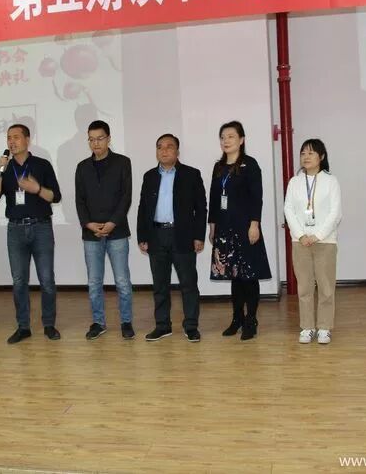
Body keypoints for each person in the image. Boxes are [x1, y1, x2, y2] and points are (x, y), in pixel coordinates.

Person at [0, 124, 62, 344]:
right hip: (16, 229)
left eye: (16, 137)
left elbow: (55, 196)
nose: (11, 142)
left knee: (46, 279)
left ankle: (49, 324)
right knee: (19, 281)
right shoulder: (5, 167)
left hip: (41, 227)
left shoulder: (42, 165)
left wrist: (36, 189)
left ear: (27, 139)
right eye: (8, 138)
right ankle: (23, 327)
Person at [137, 134, 207, 342]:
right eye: (160, 147)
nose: (164, 150)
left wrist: (199, 236)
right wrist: (142, 235)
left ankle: (191, 326)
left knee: (188, 284)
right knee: (160, 285)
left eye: (169, 146)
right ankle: (162, 325)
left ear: (177, 151)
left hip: (182, 235)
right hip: (156, 235)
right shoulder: (149, 176)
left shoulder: (191, 174)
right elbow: (143, 208)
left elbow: (201, 208)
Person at [208, 120, 272, 341]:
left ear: (241, 140)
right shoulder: (218, 167)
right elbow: (214, 199)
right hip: (224, 229)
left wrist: (255, 224)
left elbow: (257, 197)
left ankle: (251, 320)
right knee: (234, 277)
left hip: (245, 228)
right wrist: (212, 226)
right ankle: (237, 319)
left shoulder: (250, 165)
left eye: (231, 136)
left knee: (248, 276)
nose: (226, 141)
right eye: (222, 137)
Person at [75, 120, 135, 340]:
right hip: (91, 233)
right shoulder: (82, 167)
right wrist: (88, 224)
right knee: (94, 282)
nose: (96, 143)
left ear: (109, 139)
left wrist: (112, 223)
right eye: (91, 139)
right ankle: (98, 322)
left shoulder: (122, 162)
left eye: (100, 138)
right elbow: (79, 200)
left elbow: (126, 197)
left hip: (116, 231)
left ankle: (126, 321)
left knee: (122, 281)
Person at [284, 139, 342, 345]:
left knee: (326, 287)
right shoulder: (294, 182)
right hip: (300, 241)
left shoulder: (331, 181)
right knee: (304, 287)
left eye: (311, 153)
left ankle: (324, 327)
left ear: (321, 156)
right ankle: (307, 327)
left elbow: (335, 213)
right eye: (303, 153)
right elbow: (288, 209)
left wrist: (317, 235)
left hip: (325, 241)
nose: (306, 157)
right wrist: (301, 235)